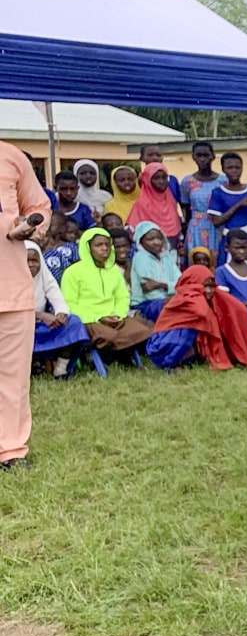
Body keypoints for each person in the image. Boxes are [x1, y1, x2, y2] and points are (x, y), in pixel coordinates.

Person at [1, 142, 50, 468]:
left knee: (13, 378)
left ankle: (11, 451)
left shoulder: (11, 156)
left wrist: (30, 226)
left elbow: (39, 206)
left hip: (12, 287)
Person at [145, 265, 247, 371]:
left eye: (212, 286)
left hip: (184, 347)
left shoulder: (211, 295)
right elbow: (201, 312)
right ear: (192, 284)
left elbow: (239, 309)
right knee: (188, 330)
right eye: (205, 286)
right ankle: (170, 365)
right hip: (162, 347)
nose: (209, 290)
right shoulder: (186, 298)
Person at [61, 229, 153, 354]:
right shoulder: (72, 272)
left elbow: (122, 297)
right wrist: (98, 317)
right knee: (108, 335)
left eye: (107, 244)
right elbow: (69, 304)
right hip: (89, 320)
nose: (104, 248)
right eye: (99, 245)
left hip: (115, 318)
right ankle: (117, 351)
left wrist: (118, 314)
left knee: (142, 330)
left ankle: (119, 350)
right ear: (88, 247)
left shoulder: (113, 270)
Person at [27, 240, 88, 377]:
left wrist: (61, 312)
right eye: (27, 260)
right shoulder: (8, 277)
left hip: (41, 325)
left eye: (34, 261)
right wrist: (40, 315)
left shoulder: (43, 274)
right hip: (18, 327)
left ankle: (61, 367)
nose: (31, 265)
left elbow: (54, 292)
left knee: (74, 322)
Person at [206, 154, 247, 259]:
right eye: (230, 168)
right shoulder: (218, 192)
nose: (234, 171)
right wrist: (239, 205)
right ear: (223, 169)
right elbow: (216, 222)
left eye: (237, 167)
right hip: (230, 238)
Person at [128, 221, 181, 323]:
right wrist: (172, 291)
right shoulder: (140, 258)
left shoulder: (166, 257)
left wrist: (161, 285)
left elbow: (181, 283)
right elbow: (150, 292)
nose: (156, 242)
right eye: (150, 239)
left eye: (159, 238)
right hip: (145, 304)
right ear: (141, 241)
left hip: (167, 300)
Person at [180, 141, 223, 258]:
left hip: (218, 226)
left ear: (213, 156)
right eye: (199, 155)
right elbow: (186, 209)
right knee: (198, 260)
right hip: (196, 229)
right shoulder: (187, 182)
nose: (203, 159)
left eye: (206, 155)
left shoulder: (223, 181)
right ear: (193, 157)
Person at [126, 162, 183, 249]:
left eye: (164, 177)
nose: (161, 181)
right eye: (156, 178)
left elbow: (177, 226)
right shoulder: (142, 204)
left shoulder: (170, 200)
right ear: (147, 180)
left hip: (173, 249)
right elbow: (134, 233)